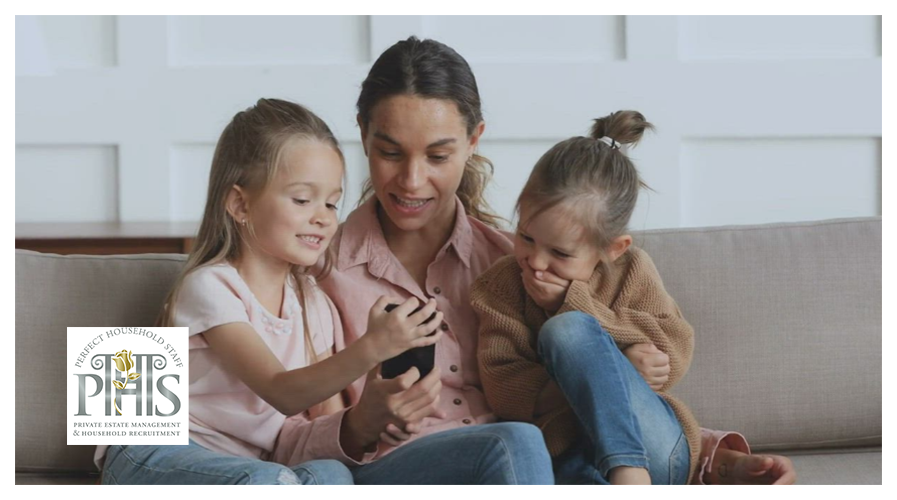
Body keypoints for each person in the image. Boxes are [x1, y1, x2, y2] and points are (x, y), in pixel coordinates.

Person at [274, 36, 795, 486]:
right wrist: (359, 423)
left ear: (473, 141)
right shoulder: (307, 275)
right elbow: (275, 443)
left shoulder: (520, 264)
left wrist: (710, 461)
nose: (411, 182)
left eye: (437, 156)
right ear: (363, 134)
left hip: (546, 468)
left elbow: (592, 390)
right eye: (390, 153)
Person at [98, 98, 443, 484]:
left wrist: (370, 421)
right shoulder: (209, 286)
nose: (323, 216)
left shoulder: (313, 305)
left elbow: (314, 433)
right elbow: (283, 393)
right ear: (239, 204)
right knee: (269, 481)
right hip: (152, 448)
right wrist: (373, 346)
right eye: (302, 199)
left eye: (332, 202)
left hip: (254, 469)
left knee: (332, 476)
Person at [472, 110, 794, 485]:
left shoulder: (633, 270)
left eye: (560, 253)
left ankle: (628, 469)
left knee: (568, 328)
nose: (536, 262)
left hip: (655, 453)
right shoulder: (500, 286)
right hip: (568, 461)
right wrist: (609, 368)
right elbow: (506, 393)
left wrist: (574, 305)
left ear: (612, 249)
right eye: (526, 237)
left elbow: (671, 355)